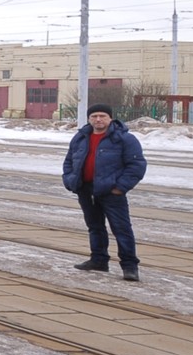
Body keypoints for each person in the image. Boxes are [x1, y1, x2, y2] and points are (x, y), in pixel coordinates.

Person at [60, 104, 147, 281]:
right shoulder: (80, 137)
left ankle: (129, 266)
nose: (98, 119)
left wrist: (120, 188)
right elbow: (69, 160)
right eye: (94, 116)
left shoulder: (124, 139)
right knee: (95, 227)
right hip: (86, 189)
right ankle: (99, 259)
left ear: (110, 118)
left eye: (102, 116)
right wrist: (70, 180)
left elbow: (136, 166)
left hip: (111, 192)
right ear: (89, 119)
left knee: (121, 229)